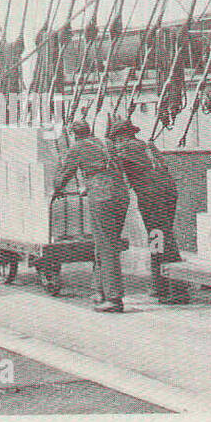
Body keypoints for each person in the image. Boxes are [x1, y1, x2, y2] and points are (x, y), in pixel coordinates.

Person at [107, 119, 187, 304]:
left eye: (115, 139)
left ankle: (178, 291)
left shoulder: (126, 148)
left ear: (121, 137)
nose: (116, 142)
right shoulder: (148, 146)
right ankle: (160, 285)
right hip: (168, 193)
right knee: (160, 237)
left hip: (152, 196)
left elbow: (111, 168)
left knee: (161, 239)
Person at [54, 120, 130, 313]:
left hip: (102, 196)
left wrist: (57, 189)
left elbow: (64, 175)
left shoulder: (77, 148)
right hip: (121, 194)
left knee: (106, 246)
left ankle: (114, 299)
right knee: (104, 243)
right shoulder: (107, 143)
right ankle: (99, 290)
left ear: (73, 135)